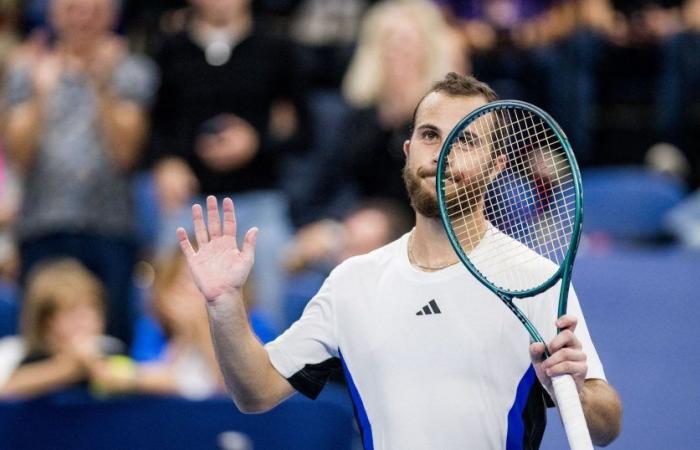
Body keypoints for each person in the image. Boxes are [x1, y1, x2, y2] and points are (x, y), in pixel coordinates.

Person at [175, 73, 622, 449]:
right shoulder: (352, 282)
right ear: (408, 151)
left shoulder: (535, 279)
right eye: (430, 135)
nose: (442, 154)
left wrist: (574, 390)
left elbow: (605, 427)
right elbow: (254, 391)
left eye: (464, 140)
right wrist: (224, 303)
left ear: (497, 166)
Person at [2, 0, 158, 346]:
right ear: (55, 13)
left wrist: (102, 84)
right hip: (42, 224)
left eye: (95, 9)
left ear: (113, 15)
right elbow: (19, 157)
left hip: (110, 227)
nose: (84, 18)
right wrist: (41, 95)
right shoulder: (26, 71)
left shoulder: (132, 70)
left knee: (112, 342)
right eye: (74, 8)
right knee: (40, 342)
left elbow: (126, 154)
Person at [148, 0, 307, 328]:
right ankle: (157, 367)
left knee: (273, 275)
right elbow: (155, 125)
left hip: (259, 197)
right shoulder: (171, 49)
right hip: (192, 198)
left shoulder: (276, 48)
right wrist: (167, 162)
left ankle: (270, 369)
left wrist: (256, 141)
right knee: (159, 279)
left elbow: (304, 131)